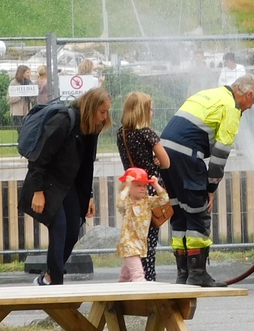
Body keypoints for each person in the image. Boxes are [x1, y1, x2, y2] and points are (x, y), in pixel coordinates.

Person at [159, 74, 254, 286]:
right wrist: (210, 187)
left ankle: (183, 274)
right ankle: (197, 274)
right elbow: (220, 154)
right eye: (252, 103)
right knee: (198, 213)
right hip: (188, 155)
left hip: (166, 153)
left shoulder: (209, 94)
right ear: (248, 94)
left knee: (179, 212)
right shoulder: (231, 107)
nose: (250, 108)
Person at [22, 87, 111, 287]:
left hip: (67, 184)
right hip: (47, 182)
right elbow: (38, 158)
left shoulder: (92, 128)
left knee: (73, 229)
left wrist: (88, 195)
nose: (105, 118)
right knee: (60, 228)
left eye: (107, 112)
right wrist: (37, 192)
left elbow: (87, 165)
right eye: (102, 112)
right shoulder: (64, 121)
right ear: (90, 108)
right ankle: (56, 286)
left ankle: (48, 278)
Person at [116, 91, 172, 282]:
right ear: (143, 112)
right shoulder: (147, 134)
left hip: (131, 189)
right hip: (148, 190)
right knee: (148, 240)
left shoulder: (121, 133)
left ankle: (130, 278)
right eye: (150, 109)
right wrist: (155, 162)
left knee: (133, 236)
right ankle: (147, 279)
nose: (152, 113)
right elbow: (166, 162)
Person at [115, 167, 172, 282]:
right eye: (138, 185)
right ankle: (142, 296)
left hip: (140, 244)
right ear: (129, 187)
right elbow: (119, 203)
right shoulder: (128, 203)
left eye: (144, 186)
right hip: (129, 244)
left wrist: (155, 185)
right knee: (138, 274)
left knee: (125, 277)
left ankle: (119, 297)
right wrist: (126, 186)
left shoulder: (147, 201)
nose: (142, 189)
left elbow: (164, 199)